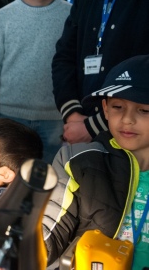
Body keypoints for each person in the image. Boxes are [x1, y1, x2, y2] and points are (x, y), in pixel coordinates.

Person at [43, 54, 149, 269]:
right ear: (105, 108)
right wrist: (23, 252)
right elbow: (49, 228)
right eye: (118, 107)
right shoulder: (76, 160)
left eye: (144, 110)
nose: (127, 119)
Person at [52, 0, 149, 145]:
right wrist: (73, 115)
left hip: (137, 139)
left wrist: (92, 126)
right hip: (81, 133)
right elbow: (64, 55)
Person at [0, 0, 70, 163]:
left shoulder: (72, 16)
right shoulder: (2, 18)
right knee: (8, 186)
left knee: (50, 187)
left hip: (55, 121)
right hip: (9, 119)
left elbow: (75, 69)